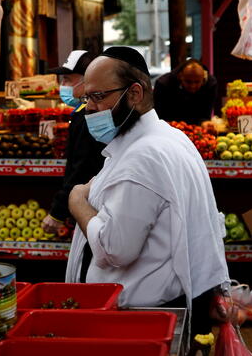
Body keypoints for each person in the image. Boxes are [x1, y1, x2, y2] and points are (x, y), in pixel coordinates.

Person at [64, 46, 229, 334]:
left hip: (143, 316)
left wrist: (77, 201)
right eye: (86, 97)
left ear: (135, 94)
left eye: (98, 96)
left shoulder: (142, 157)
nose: (89, 106)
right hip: (166, 302)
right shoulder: (169, 137)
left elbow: (116, 249)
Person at [41, 50, 105, 236]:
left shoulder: (87, 116)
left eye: (68, 79)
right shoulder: (83, 112)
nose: (63, 85)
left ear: (88, 80)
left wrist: (57, 213)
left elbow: (81, 168)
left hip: (90, 205)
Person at [152, 58, 219, 124]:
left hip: (197, 129)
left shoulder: (211, 84)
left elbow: (206, 115)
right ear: (180, 76)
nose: (192, 86)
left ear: (204, 79)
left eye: (197, 82)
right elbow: (158, 117)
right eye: (188, 82)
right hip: (169, 126)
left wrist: (205, 123)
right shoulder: (163, 84)